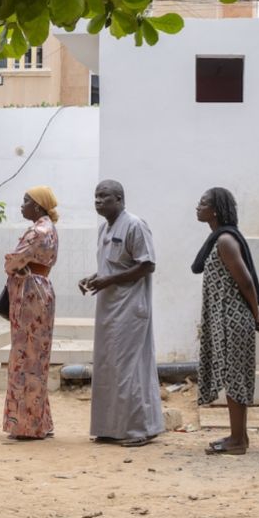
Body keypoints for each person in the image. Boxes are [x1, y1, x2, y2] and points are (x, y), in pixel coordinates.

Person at [79, 180, 163, 446]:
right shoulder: (104, 229)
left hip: (130, 308)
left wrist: (110, 280)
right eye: (95, 197)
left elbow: (147, 265)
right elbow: (111, 266)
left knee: (129, 368)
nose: (98, 201)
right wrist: (94, 278)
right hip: (108, 308)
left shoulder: (135, 225)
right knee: (108, 367)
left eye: (104, 197)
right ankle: (109, 428)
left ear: (119, 199)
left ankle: (137, 430)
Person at [193, 187, 259, 455]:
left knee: (235, 379)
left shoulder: (224, 240)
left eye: (202, 203)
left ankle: (237, 441)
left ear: (215, 210)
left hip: (232, 319)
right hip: (228, 317)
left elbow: (245, 280)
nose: (197, 207)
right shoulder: (220, 239)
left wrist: (255, 313)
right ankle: (239, 437)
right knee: (234, 377)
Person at [3, 187, 59, 441]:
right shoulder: (50, 229)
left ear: (37, 206)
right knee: (37, 359)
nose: (21, 205)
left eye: (25, 201)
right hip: (40, 291)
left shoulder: (37, 231)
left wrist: (10, 264)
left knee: (25, 358)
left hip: (30, 295)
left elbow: (13, 262)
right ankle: (41, 420)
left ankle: (26, 425)